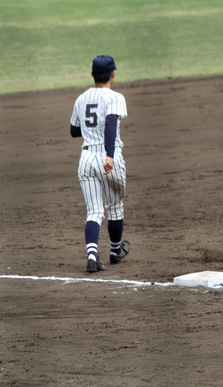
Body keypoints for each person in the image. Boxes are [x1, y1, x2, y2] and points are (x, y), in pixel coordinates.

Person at [69, 54, 130, 273]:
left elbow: (74, 131)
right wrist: (110, 155)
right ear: (112, 74)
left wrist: (89, 131)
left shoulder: (81, 98)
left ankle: (92, 255)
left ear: (92, 74)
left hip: (86, 159)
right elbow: (111, 123)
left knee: (94, 211)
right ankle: (115, 252)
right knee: (114, 207)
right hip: (108, 159)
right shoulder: (115, 97)